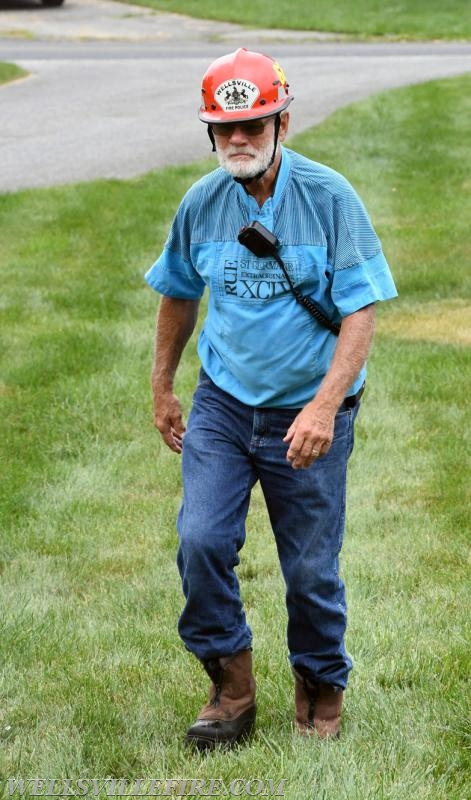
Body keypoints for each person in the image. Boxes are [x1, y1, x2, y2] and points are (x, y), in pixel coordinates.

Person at [145, 47, 397, 749]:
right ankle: (230, 684)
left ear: (283, 120)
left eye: (253, 124)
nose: (238, 140)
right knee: (199, 542)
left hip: (307, 412)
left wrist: (322, 407)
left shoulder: (329, 197)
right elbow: (176, 290)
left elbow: (361, 311)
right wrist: (163, 387)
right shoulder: (201, 201)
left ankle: (320, 684)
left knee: (310, 568)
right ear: (209, 133)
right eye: (225, 129)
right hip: (224, 407)